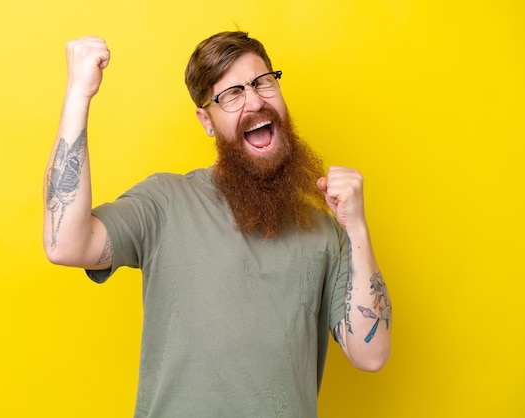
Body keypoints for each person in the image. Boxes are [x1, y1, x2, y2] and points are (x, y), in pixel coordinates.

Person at [43, 31, 391, 417]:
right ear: (206, 120)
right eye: (231, 94)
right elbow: (66, 245)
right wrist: (78, 95)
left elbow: (371, 353)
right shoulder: (165, 202)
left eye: (263, 82)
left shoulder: (326, 231)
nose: (256, 100)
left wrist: (356, 228)